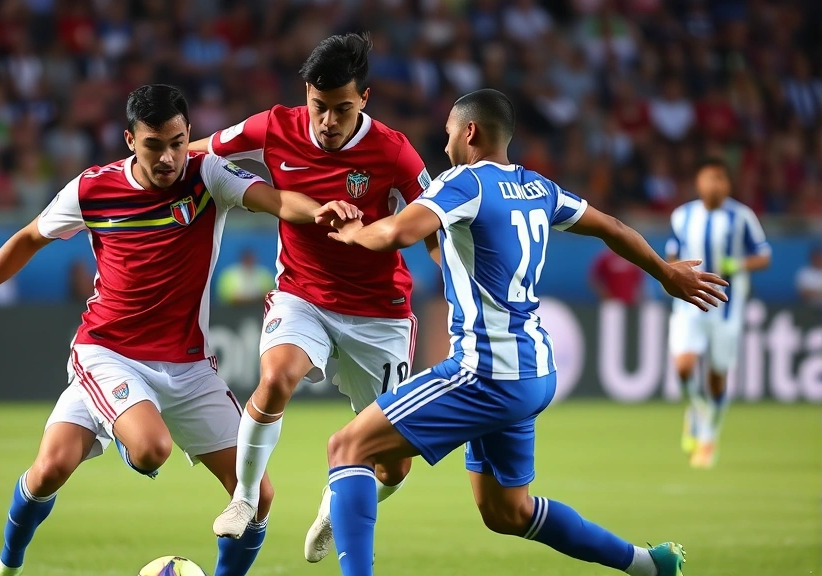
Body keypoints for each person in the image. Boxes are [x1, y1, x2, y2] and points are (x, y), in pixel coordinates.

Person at [0, 85, 360, 576]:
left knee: (257, 496)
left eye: (177, 143)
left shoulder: (208, 175)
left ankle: (123, 425)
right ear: (131, 140)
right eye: (154, 145)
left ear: (189, 134)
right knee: (136, 452)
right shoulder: (92, 189)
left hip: (189, 366)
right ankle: (6, 568)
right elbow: (29, 237)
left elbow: (275, 199)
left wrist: (318, 210)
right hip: (108, 353)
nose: (168, 157)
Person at [321, 89, 729, 576]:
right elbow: (613, 227)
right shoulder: (539, 188)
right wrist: (665, 272)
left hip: (483, 372)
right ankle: (649, 565)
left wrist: (354, 232)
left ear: (470, 132)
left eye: (450, 132)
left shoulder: (464, 182)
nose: (445, 143)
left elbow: (395, 233)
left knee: (347, 447)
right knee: (507, 512)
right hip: (531, 372)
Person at [189, 33, 436, 561]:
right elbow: (197, 153)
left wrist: (459, 283)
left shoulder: (394, 151)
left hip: (379, 312)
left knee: (393, 465)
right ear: (306, 93)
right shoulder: (273, 127)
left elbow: (434, 224)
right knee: (276, 377)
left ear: (364, 99)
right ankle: (245, 497)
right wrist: (136, 170)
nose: (328, 121)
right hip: (303, 295)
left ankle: (334, 504)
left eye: (342, 109)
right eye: (319, 106)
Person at [665, 158, 770, 468]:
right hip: (689, 303)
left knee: (717, 375)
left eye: (722, 178)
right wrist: (671, 273)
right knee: (683, 367)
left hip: (726, 306)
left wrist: (737, 265)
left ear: (729, 184)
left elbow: (763, 255)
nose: (717, 184)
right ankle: (696, 411)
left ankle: (709, 436)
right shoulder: (682, 215)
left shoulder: (742, 216)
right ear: (699, 183)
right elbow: (672, 254)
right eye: (711, 178)